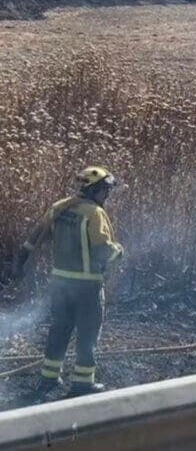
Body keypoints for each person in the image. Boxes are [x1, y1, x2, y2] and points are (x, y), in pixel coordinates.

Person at [10, 166, 123, 396]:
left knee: (59, 330)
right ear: (95, 189)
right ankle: (82, 383)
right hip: (87, 286)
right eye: (105, 190)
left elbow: (34, 238)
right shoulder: (94, 213)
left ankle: (49, 378)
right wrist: (119, 251)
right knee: (87, 334)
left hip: (60, 285)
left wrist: (18, 263)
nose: (107, 195)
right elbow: (102, 250)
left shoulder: (60, 208)